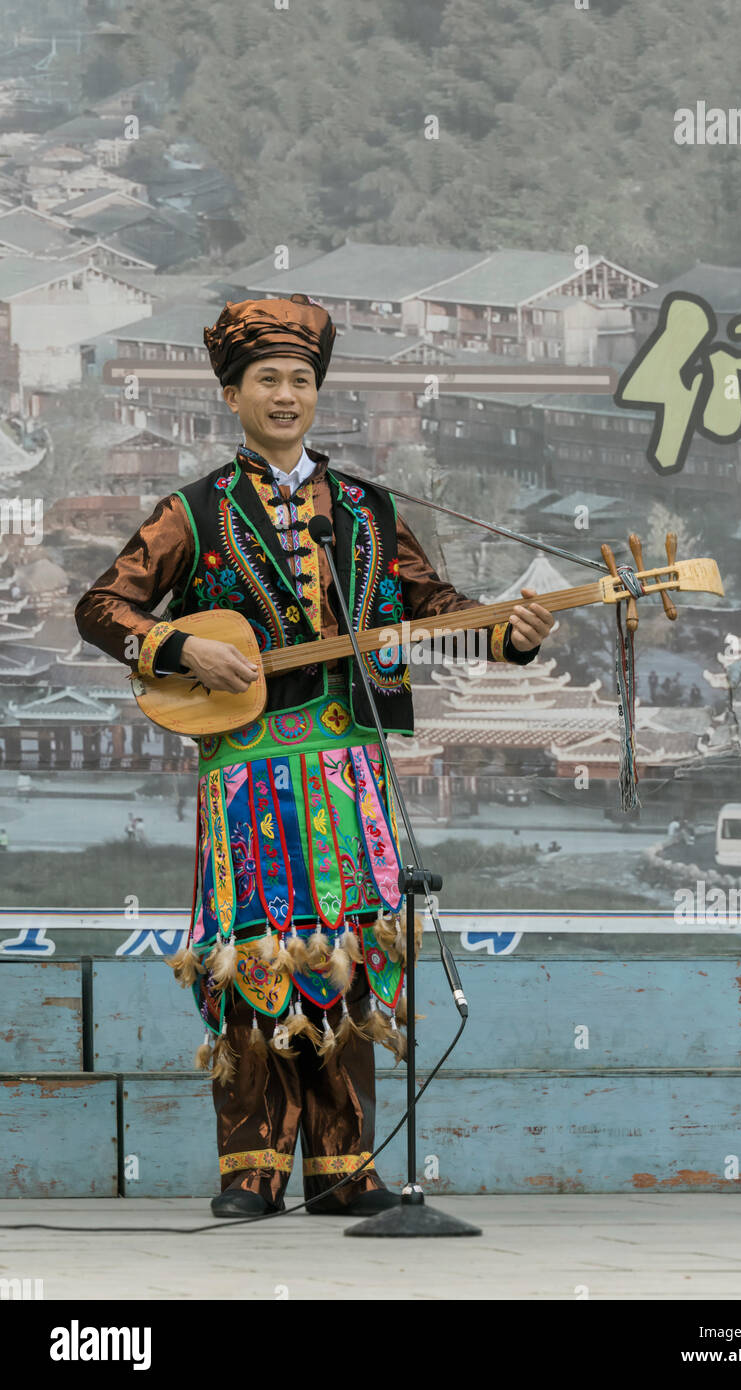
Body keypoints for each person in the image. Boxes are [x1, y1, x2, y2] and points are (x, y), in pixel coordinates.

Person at [75, 293, 555, 1220]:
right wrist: (181, 650)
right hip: (248, 770)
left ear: (317, 393)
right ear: (232, 394)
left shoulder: (367, 510)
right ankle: (250, 1169)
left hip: (349, 768)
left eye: (301, 380)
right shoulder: (195, 510)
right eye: (267, 380)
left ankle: (346, 1168)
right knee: (254, 955)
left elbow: (436, 615)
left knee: (349, 955)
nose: (286, 395)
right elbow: (104, 607)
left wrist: (518, 636)